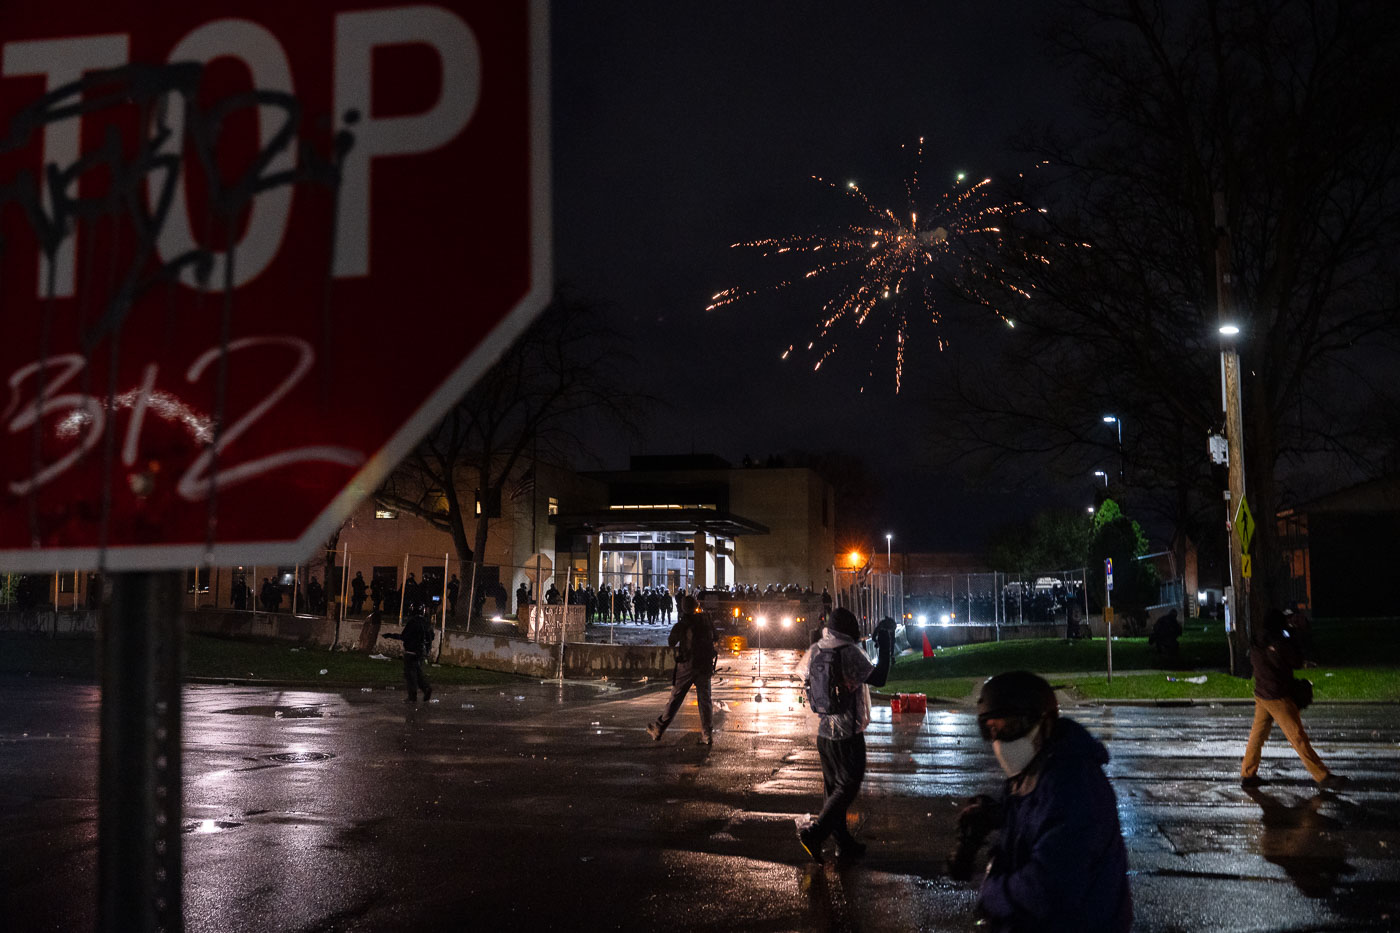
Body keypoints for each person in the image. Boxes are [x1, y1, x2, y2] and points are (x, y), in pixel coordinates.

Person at [951, 671, 1132, 932]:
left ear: (1044, 724)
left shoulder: (1074, 785)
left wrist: (992, 891)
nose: (1000, 741)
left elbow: (1048, 887)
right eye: (992, 730)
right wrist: (997, 814)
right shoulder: (1034, 769)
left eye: (1011, 728)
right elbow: (1033, 811)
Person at [794, 609, 895, 863]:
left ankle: (843, 843)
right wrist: (886, 645)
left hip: (824, 733)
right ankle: (815, 834)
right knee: (848, 786)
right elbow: (880, 678)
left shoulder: (818, 648)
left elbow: (803, 676)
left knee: (833, 790)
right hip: (847, 733)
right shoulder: (847, 651)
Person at [1240, 608, 1348, 790]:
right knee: (1298, 737)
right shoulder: (1278, 642)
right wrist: (1294, 636)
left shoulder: (1258, 640)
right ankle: (1322, 776)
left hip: (1262, 693)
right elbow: (1296, 661)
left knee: (1257, 736)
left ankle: (1248, 774)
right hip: (1277, 696)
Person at [646, 595, 719, 744]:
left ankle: (659, 729)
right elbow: (716, 637)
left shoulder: (683, 623)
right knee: (705, 700)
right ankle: (707, 734)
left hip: (687, 665)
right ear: (696, 605)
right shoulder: (705, 620)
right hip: (704, 665)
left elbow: (671, 641)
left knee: (675, 699)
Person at [384, 613, 434, 703]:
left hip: (411, 651)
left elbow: (404, 636)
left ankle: (412, 697)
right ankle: (426, 688)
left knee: (410, 675)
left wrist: (390, 635)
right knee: (417, 673)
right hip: (420, 652)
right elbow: (431, 636)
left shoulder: (413, 623)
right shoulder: (425, 623)